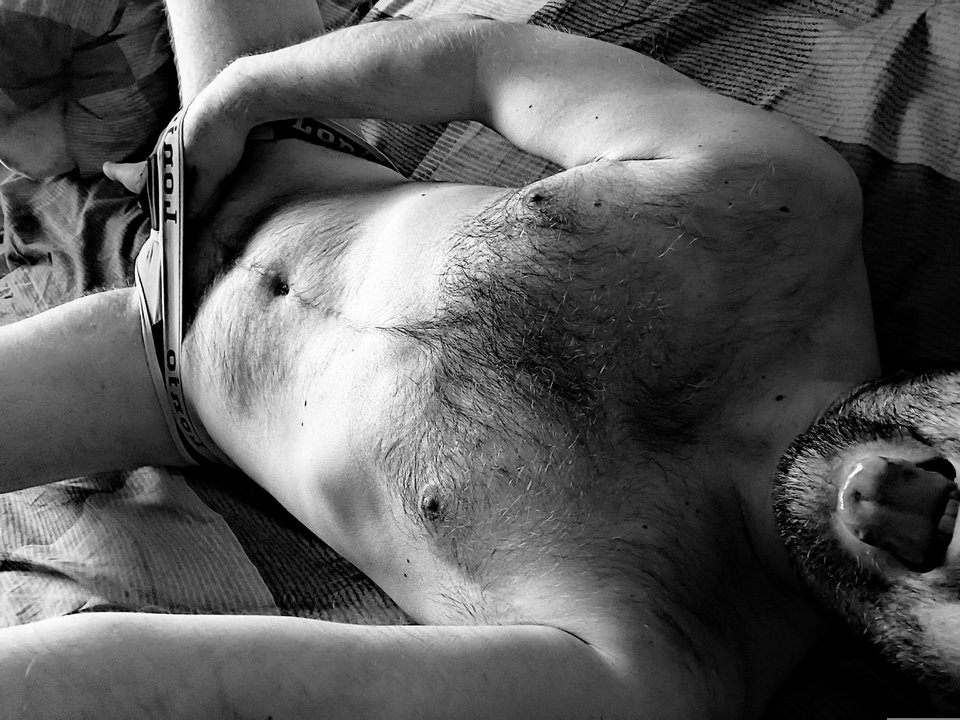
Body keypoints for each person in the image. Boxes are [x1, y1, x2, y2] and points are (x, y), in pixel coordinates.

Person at [1, 0, 957, 717]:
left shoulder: (652, 671)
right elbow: (483, 64)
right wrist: (246, 93)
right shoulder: (785, 202)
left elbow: (175, 685)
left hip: (165, 371)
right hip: (277, 148)